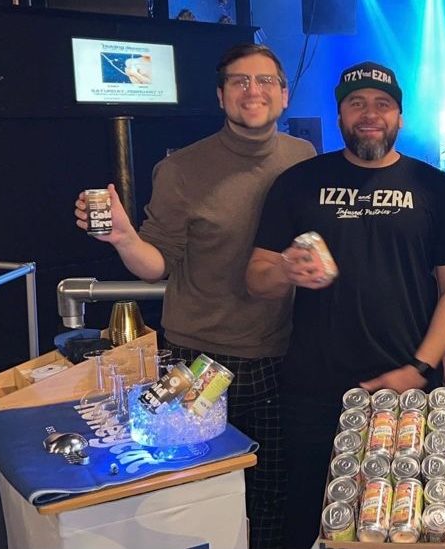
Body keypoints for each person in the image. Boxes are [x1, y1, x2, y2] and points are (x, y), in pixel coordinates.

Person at [74, 43, 315, 549]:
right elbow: (155, 265)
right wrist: (123, 238)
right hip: (198, 356)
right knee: (202, 488)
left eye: (266, 80)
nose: (254, 90)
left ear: (285, 95)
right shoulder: (181, 169)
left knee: (273, 489)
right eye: (240, 81)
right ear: (221, 96)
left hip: (280, 353)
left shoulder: (303, 158)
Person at [244, 61, 445, 547]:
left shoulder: (437, 188)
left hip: (409, 389)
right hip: (313, 389)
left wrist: (418, 367)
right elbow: (257, 277)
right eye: (357, 103)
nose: (370, 115)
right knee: (306, 518)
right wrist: (287, 268)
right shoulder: (299, 182)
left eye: (383, 104)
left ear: (400, 117)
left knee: (409, 521)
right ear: (340, 113)